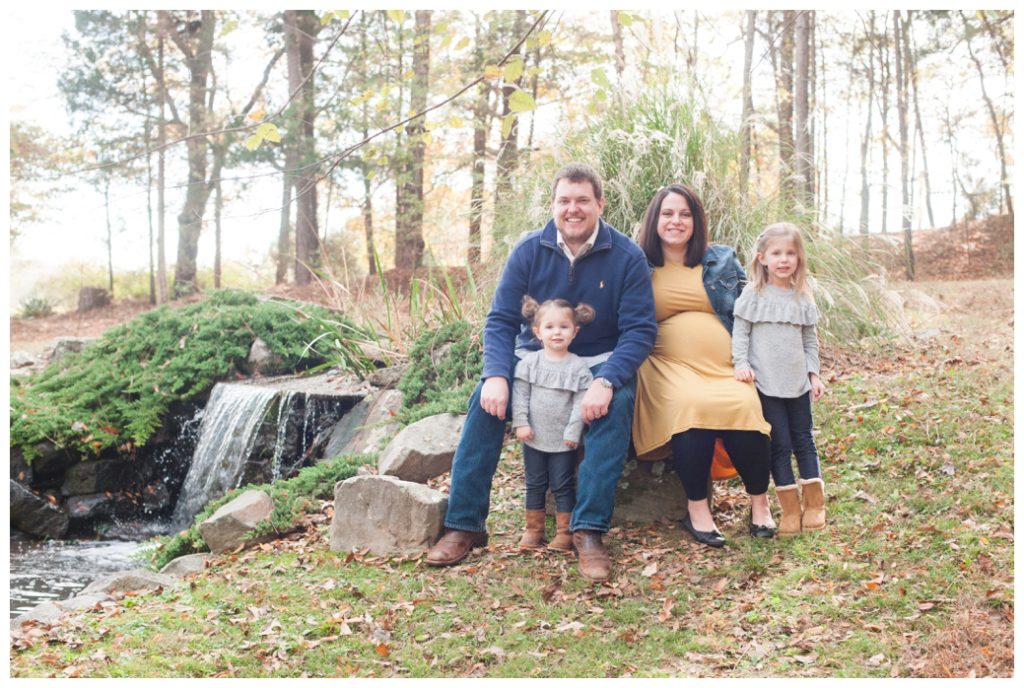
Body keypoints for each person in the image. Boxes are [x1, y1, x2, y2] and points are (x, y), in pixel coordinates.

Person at [426, 162, 657, 582]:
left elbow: (640, 330)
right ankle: (464, 524)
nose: (573, 209)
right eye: (564, 201)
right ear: (553, 205)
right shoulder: (529, 250)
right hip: (534, 358)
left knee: (617, 404)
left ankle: (588, 532)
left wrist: (607, 381)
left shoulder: (626, 256)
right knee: (484, 402)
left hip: (596, 361)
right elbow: (499, 320)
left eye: (582, 200)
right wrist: (497, 373)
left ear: (600, 204)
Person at [631, 183, 776, 548]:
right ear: (654, 219)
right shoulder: (637, 263)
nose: (676, 221)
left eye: (685, 214)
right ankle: (697, 511)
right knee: (691, 406)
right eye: (667, 213)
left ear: (696, 221)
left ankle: (760, 506)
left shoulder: (721, 259)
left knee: (744, 405)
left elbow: (754, 305)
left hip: (726, 365)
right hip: (668, 364)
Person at [732, 222, 827, 537]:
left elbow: (810, 342)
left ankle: (814, 505)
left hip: (798, 382)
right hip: (767, 384)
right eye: (777, 253)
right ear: (762, 258)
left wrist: (814, 374)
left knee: (804, 440)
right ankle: (788, 509)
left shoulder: (802, 298)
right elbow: (741, 334)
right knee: (780, 444)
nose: (784, 259)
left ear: (799, 258)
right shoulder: (754, 294)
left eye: (791, 253)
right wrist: (741, 363)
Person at [511, 296, 595, 551]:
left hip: (563, 441)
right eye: (549, 327)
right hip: (534, 437)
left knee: (562, 484)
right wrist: (521, 423)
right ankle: (533, 530)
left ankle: (564, 532)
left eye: (563, 327)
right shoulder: (530, 363)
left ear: (575, 331)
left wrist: (573, 432)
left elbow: (581, 402)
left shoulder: (579, 368)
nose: (556, 332)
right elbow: (520, 394)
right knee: (535, 483)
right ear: (537, 332)